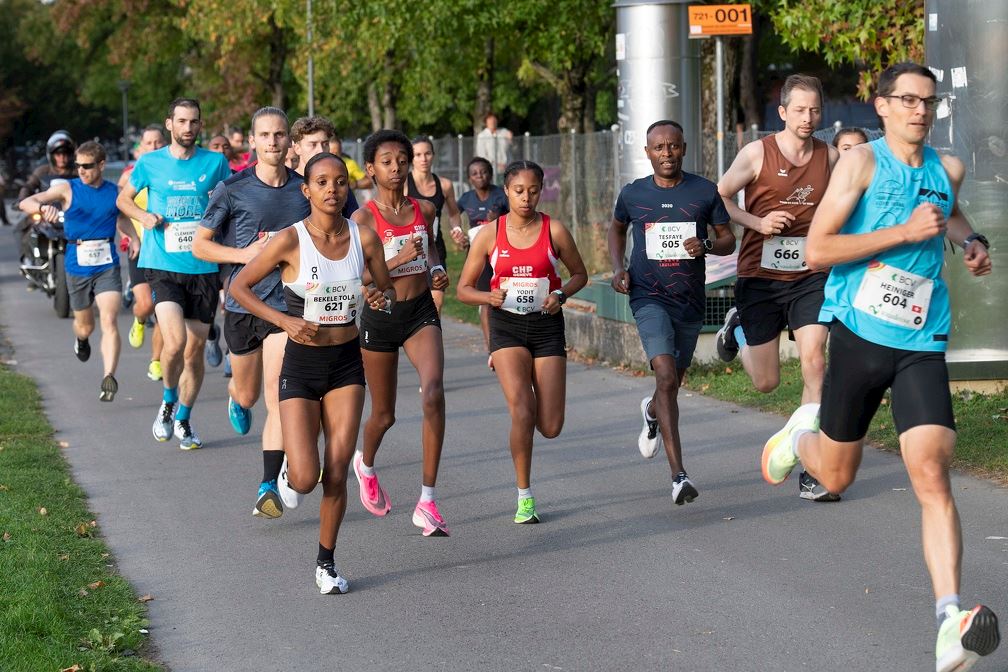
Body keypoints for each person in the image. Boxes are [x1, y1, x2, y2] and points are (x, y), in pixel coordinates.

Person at [760, 63, 1001, 672]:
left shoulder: (947, 169)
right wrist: (899, 232)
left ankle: (950, 619)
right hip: (860, 334)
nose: (921, 110)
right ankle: (803, 432)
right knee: (836, 476)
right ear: (882, 106)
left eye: (929, 101)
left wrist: (972, 243)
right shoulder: (861, 163)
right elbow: (818, 249)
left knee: (932, 470)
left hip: (922, 337)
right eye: (908, 100)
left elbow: (948, 213)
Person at [231, 152, 395, 593]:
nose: (332, 189)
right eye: (321, 182)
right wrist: (283, 321)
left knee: (337, 471)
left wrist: (378, 297)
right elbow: (239, 287)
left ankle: (326, 563)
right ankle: (288, 473)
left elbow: (384, 286)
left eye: (340, 182)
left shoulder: (366, 238)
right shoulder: (289, 240)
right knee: (305, 478)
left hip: (346, 364)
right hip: (301, 367)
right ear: (306, 190)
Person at [715, 73, 841, 503]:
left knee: (814, 363)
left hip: (811, 274)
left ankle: (811, 467)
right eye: (800, 110)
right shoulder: (757, 153)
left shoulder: (831, 157)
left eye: (815, 110)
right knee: (767, 383)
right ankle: (739, 329)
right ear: (783, 112)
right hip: (761, 276)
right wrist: (758, 222)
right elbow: (721, 199)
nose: (808, 118)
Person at [608, 120, 735, 504]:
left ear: (684, 148)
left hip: (689, 299)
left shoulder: (703, 191)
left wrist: (708, 246)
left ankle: (651, 410)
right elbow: (616, 229)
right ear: (647, 152)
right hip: (648, 296)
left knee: (671, 384)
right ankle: (679, 475)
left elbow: (729, 240)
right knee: (665, 373)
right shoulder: (633, 194)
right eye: (659, 148)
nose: (667, 154)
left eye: (674, 147)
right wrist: (618, 268)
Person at [457, 160, 588, 524]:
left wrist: (560, 294)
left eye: (533, 191)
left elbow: (580, 274)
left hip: (546, 327)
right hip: (506, 328)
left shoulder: (554, 230)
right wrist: (489, 297)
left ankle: (529, 412)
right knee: (522, 408)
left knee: (550, 426)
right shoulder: (489, 234)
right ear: (506, 192)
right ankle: (524, 495)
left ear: (541, 190)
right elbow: (463, 289)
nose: (526, 198)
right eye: (518, 191)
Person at [193, 106, 308, 519]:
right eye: (265, 135)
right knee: (248, 393)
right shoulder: (232, 189)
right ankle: (236, 399)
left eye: (280, 135)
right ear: (253, 140)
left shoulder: (304, 190)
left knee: (277, 394)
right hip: (243, 305)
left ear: (288, 142)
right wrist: (244, 254)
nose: (273, 142)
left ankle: (267, 485)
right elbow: (201, 245)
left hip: (285, 306)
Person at [116, 98, 232, 450]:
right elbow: (123, 200)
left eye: (194, 122)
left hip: (204, 267)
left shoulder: (215, 162)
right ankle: (168, 400)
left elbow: (233, 201)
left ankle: (183, 418)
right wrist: (144, 216)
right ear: (169, 124)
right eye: (181, 121)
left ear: (200, 125)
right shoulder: (150, 163)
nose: (188, 128)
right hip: (163, 263)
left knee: (194, 351)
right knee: (176, 343)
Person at [352, 129, 451, 537]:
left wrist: (437, 270)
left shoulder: (424, 210)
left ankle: (427, 501)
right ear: (372, 169)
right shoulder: (362, 219)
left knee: (433, 393)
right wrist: (397, 259)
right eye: (387, 162)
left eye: (402, 160)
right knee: (384, 414)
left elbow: (432, 252)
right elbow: (357, 276)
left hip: (419, 312)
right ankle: (366, 464)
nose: (396, 168)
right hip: (380, 317)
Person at [19, 141, 139, 400]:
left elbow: (121, 217)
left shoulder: (114, 192)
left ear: (101, 165)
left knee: (109, 319)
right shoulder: (67, 188)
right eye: (78, 165)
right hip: (77, 263)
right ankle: (82, 340)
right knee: (85, 325)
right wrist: (42, 208)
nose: (81, 170)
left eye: (87, 166)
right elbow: (26, 202)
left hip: (107, 263)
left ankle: (109, 376)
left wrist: (135, 239)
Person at [119, 125, 167, 382]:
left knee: (163, 308)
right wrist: (132, 237)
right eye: (148, 143)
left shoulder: (170, 172)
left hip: (166, 252)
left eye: (158, 142)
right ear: (140, 149)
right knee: (147, 305)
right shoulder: (130, 175)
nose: (154, 147)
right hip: (139, 249)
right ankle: (139, 320)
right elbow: (119, 210)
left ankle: (156, 361)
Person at [454, 156, 509, 362]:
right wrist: (458, 233)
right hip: (478, 256)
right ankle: (492, 349)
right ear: (469, 178)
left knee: (503, 299)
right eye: (475, 174)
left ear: (491, 174)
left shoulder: (500, 195)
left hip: (502, 254)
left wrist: (499, 220)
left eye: (484, 172)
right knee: (486, 300)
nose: (480, 176)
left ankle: (509, 341)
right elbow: (453, 214)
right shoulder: (466, 198)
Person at [406, 137, 462, 314]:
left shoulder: (444, 185)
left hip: (435, 249)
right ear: (411, 158)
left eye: (427, 153)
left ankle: (432, 339)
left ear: (433, 156)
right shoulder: (404, 184)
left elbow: (454, 213)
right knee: (410, 305)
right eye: (418, 155)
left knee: (436, 303)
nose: (423, 159)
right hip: (410, 250)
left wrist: (457, 228)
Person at [291, 116, 360, 218]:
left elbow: (354, 220)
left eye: (325, 144)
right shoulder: (287, 185)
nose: (321, 150)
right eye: (313, 145)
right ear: (297, 148)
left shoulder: (338, 183)